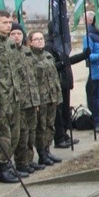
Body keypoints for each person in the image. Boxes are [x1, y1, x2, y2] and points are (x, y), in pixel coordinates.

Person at [10, 23, 45, 174]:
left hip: (31, 99)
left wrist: (36, 100)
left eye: (19, 33)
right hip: (19, 101)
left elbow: (32, 78)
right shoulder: (9, 52)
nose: (16, 36)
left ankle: (29, 160)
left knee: (31, 131)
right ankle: (21, 162)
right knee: (21, 134)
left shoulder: (26, 52)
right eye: (13, 33)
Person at [0, 11, 23, 182]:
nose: (8, 25)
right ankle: (2, 169)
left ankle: (8, 165)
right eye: (4, 22)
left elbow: (17, 71)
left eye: (9, 22)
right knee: (3, 135)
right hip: (1, 99)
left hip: (15, 96)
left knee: (15, 133)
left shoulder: (11, 44)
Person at [28, 31, 62, 167]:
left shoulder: (48, 56)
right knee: (40, 127)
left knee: (50, 125)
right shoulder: (29, 58)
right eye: (36, 39)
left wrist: (58, 95)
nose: (40, 41)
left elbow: (54, 78)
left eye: (41, 38)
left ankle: (47, 150)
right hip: (40, 98)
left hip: (51, 96)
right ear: (30, 42)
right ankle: (41, 153)